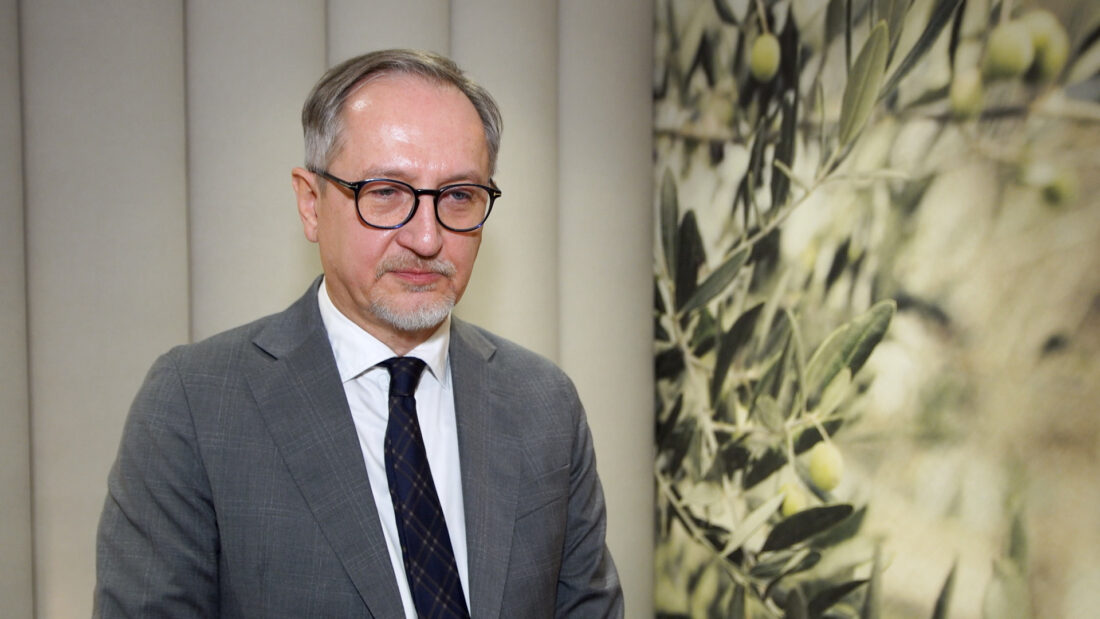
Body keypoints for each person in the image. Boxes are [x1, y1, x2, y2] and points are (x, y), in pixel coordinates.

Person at [94, 49, 622, 618]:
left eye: (459, 196)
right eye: (386, 192)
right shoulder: (196, 405)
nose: (427, 238)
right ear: (311, 204)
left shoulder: (544, 402)